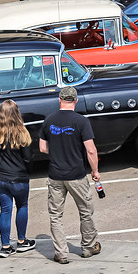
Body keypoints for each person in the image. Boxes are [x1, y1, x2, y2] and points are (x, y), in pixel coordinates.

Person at [39, 86, 100, 264]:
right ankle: (88, 247)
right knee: (85, 211)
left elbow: (42, 148)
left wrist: (57, 151)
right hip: (77, 175)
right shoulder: (81, 122)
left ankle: (61, 253)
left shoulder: (49, 120)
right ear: (76, 101)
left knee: (56, 215)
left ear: (59, 100)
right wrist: (95, 171)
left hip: (55, 175)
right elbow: (90, 150)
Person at [0, 99, 36, 258]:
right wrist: (27, 172)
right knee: (22, 206)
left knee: (5, 210)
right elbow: (28, 158)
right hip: (19, 178)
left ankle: (5, 246)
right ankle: (22, 242)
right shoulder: (21, 132)